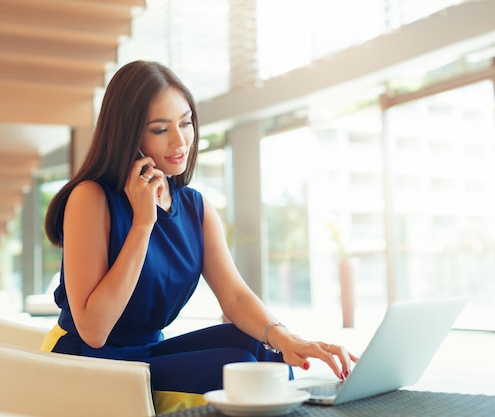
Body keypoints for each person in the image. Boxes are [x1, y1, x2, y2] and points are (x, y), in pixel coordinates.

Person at [41, 60, 356, 413]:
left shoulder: (195, 206)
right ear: (129, 135)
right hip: (89, 363)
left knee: (262, 351)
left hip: (148, 353)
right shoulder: (91, 197)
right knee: (241, 373)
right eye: (160, 129)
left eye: (186, 122)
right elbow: (94, 331)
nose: (180, 141)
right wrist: (143, 223)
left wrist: (288, 338)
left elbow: (234, 297)